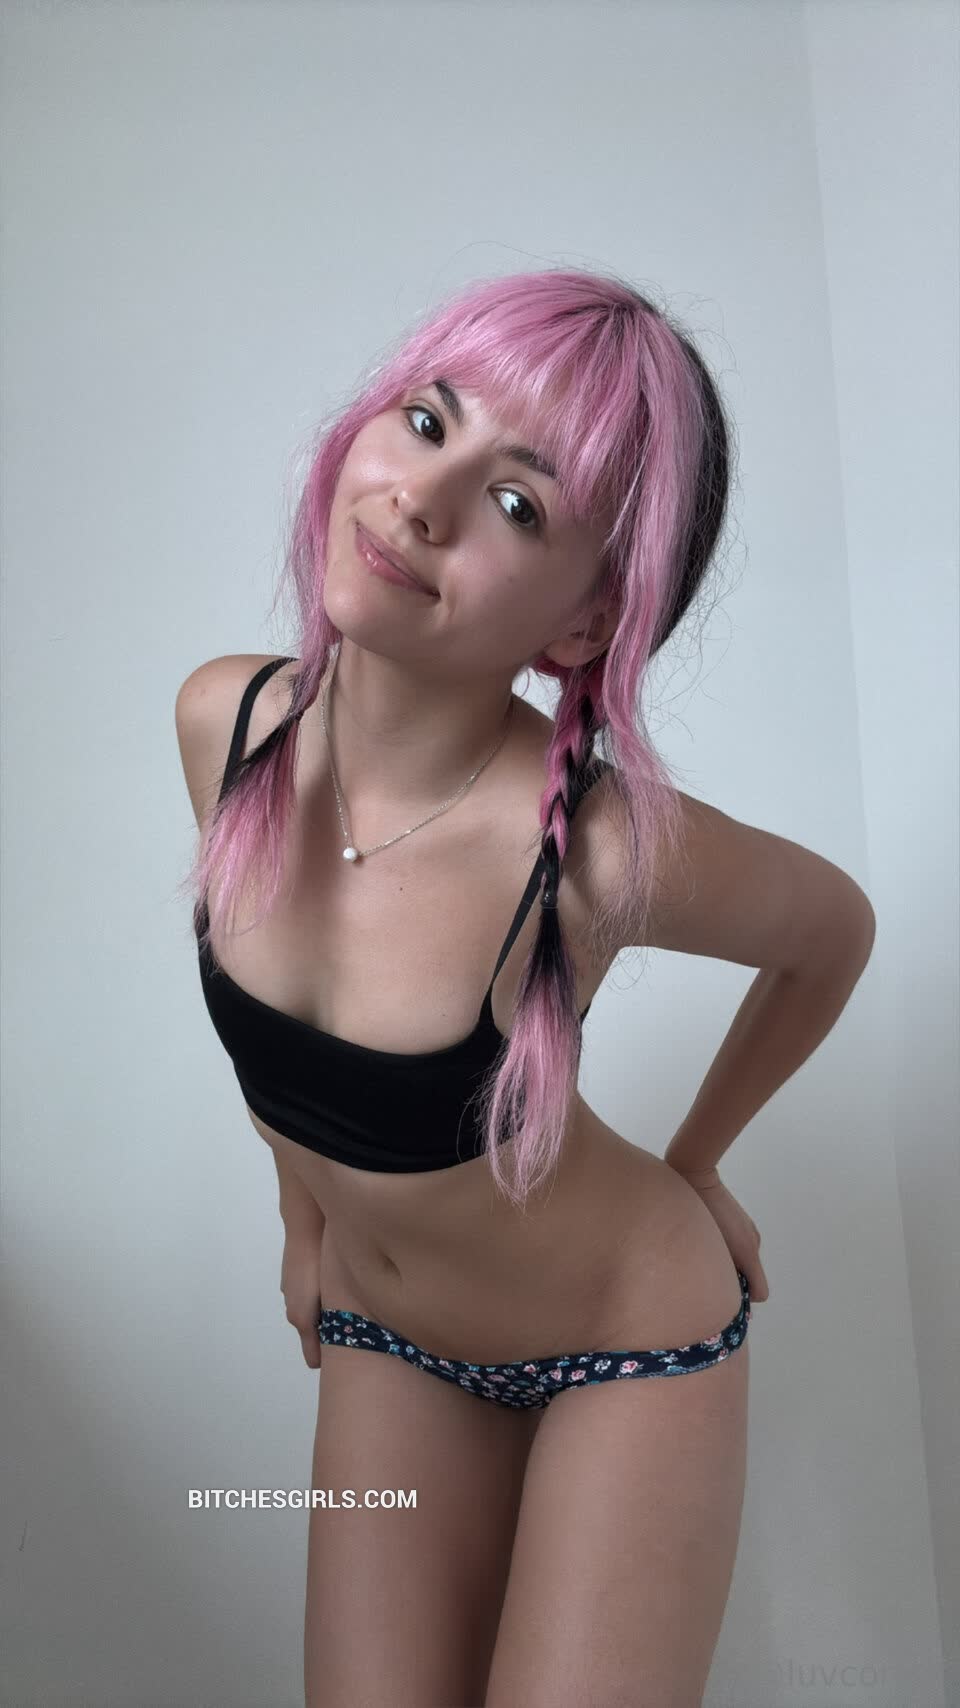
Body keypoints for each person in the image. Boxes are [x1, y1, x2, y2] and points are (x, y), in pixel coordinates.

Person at [175, 268, 876, 1708]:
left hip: (628, 1342)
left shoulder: (597, 855)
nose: (420, 500)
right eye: (428, 421)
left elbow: (834, 932)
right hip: (391, 1331)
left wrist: (699, 1161)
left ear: (582, 626)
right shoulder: (225, 725)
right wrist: (304, 1221)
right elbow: (284, 1049)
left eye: (516, 504)